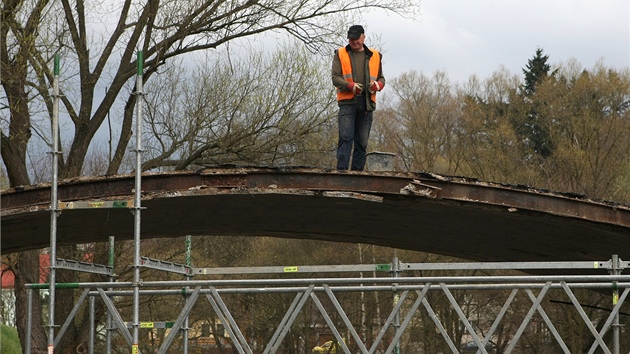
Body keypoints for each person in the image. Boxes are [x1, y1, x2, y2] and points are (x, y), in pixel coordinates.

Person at [331, 25, 385, 171]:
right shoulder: (340, 53)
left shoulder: (375, 55)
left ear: (363, 37)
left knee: (362, 142)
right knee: (346, 138)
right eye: (351, 39)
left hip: (367, 104)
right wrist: (350, 86)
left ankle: (357, 175)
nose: (353, 42)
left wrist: (377, 85)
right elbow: (335, 78)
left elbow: (381, 78)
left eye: (356, 38)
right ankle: (341, 173)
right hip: (347, 103)